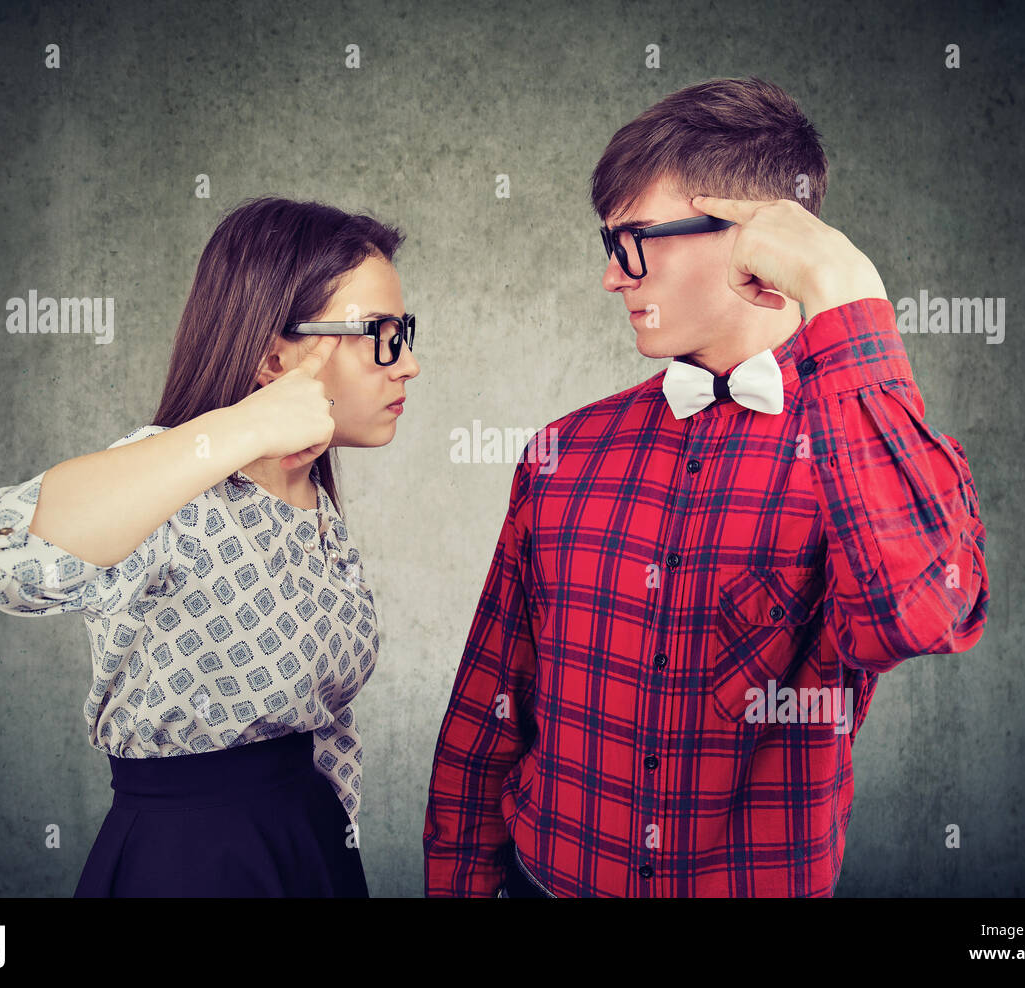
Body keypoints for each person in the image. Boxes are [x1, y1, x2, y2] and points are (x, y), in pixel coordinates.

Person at [423, 76, 989, 897]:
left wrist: (843, 286)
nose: (612, 279)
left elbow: (921, 612)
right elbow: (487, 715)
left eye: (634, 241)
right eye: (608, 244)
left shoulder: (864, 456)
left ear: (760, 237)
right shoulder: (561, 454)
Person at [0, 196, 419, 896]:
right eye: (381, 334)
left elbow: (325, 726)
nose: (406, 363)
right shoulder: (170, 479)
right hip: (191, 864)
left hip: (305, 848)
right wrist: (237, 430)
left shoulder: (314, 500)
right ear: (272, 355)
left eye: (405, 330)